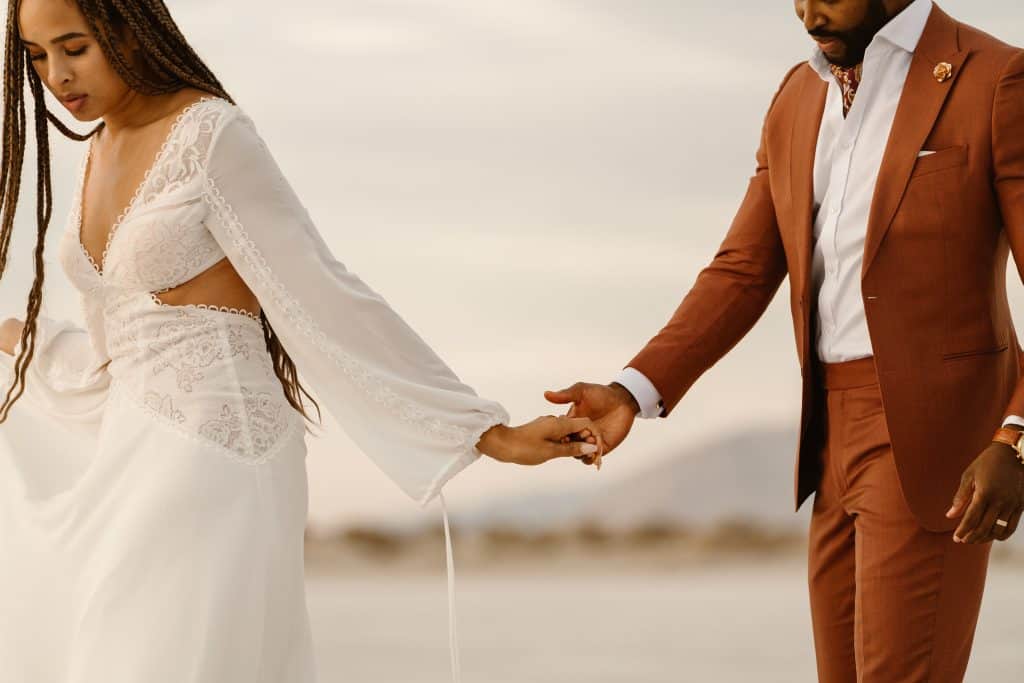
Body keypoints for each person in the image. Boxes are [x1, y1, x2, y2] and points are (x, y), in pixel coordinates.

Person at [0, 1, 605, 681]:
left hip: (215, 450)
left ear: (127, 25)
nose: (56, 75)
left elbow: (323, 293)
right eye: (37, 56)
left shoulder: (210, 135)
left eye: (74, 47)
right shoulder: (97, 153)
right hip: (129, 447)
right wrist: (17, 343)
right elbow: (118, 354)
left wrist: (484, 431)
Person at [546, 0, 1024, 680]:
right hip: (826, 437)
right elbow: (741, 271)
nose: (806, 12)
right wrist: (632, 389)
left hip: (934, 438)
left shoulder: (995, 78)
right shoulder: (797, 96)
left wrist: (1016, 437)